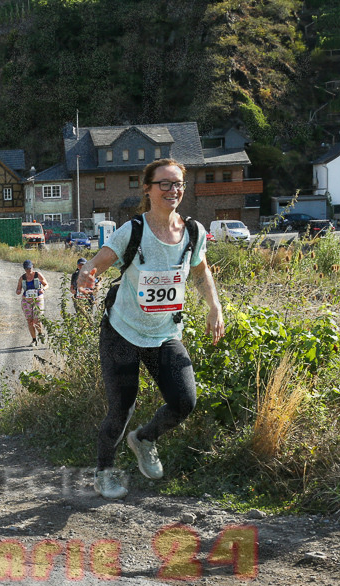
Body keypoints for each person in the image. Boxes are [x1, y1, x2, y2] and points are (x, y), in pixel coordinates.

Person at [76, 159, 224, 499]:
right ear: (148, 188)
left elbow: (201, 272)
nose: (173, 190)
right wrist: (88, 274)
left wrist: (214, 307)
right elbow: (101, 261)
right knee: (122, 406)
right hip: (123, 332)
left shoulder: (193, 232)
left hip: (164, 335)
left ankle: (144, 439)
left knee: (184, 401)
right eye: (165, 184)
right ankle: (104, 472)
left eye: (178, 184)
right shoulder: (134, 231)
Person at [16, 259, 49, 346]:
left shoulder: (37, 275)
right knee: (30, 321)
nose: (29, 270)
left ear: (32, 267)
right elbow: (18, 288)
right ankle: (34, 340)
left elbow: (46, 284)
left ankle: (41, 333)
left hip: (38, 299)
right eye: (27, 269)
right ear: (24, 269)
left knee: (37, 319)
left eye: (30, 268)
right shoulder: (22, 278)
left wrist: (43, 289)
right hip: (26, 300)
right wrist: (18, 291)